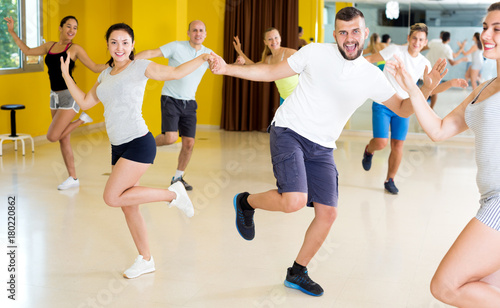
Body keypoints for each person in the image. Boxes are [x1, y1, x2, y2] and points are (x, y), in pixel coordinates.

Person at [209, 7, 445, 296]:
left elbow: (403, 109)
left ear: (365, 34)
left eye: (355, 31)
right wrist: (227, 68)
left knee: (328, 214)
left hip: (322, 146)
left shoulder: (371, 75)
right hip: (289, 131)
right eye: (343, 32)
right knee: (295, 200)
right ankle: (246, 203)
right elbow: (271, 71)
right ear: (335, 34)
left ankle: (297, 272)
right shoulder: (315, 53)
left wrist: (427, 88)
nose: (349, 38)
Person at [60, 23, 210, 279]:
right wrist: (66, 75)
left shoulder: (140, 67)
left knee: (112, 197)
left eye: (125, 42)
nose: (120, 47)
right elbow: (85, 101)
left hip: (139, 142)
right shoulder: (105, 74)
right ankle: (145, 259)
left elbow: (174, 73)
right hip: (118, 146)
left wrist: (203, 57)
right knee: (129, 205)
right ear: (107, 45)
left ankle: (172, 194)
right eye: (114, 42)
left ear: (132, 45)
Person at [386, 3, 500, 306]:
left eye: (497, 29)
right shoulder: (483, 89)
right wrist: (413, 87)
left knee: (446, 285)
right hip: (489, 198)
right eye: (486, 27)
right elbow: (438, 129)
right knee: (479, 289)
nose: (486, 34)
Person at [362, 23, 467, 194]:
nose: (417, 42)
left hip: (404, 107)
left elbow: (429, 88)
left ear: (425, 42)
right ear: (408, 38)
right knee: (381, 142)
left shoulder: (424, 63)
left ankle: (390, 180)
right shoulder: (394, 50)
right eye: (414, 38)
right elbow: (370, 59)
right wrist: (352, 67)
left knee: (398, 145)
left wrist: (450, 83)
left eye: (421, 40)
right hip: (383, 103)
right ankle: (369, 150)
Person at [4, 16, 107, 190]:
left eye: (75, 28)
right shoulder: (49, 46)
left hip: (69, 96)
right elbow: (28, 51)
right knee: (63, 139)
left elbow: (96, 67)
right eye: (69, 26)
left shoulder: (75, 49)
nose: (72, 31)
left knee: (52, 136)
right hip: (54, 97)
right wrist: (12, 31)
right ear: (60, 27)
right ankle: (73, 178)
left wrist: (120, 62)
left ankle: (82, 120)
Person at [134, 20, 212, 191]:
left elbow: (223, 67)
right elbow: (152, 52)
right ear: (188, 32)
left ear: (205, 33)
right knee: (170, 138)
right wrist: (130, 59)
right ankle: (144, 145)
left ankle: (177, 178)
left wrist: (238, 64)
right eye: (194, 30)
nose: (198, 33)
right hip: (170, 98)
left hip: (190, 102)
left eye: (201, 30)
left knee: (189, 143)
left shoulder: (208, 54)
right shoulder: (176, 46)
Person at [233, 27, 298, 105]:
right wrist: (239, 51)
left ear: (280, 38)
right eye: (270, 39)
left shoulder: (290, 53)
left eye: (276, 37)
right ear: (265, 42)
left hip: (297, 98)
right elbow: (254, 67)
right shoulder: (268, 60)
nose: (274, 41)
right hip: (284, 99)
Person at [425, 31, 468, 108]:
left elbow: (423, 47)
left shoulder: (434, 42)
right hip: (437, 71)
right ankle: (431, 108)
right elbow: (453, 61)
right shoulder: (447, 48)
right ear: (449, 39)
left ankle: (422, 106)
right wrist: (462, 58)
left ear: (441, 37)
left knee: (425, 88)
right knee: (435, 91)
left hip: (426, 68)